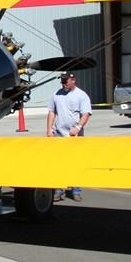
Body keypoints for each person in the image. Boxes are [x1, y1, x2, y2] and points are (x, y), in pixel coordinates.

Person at [47, 71, 91, 202]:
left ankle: (75, 190)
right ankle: (59, 190)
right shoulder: (57, 94)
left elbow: (86, 113)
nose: (64, 83)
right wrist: (49, 128)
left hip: (74, 136)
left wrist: (78, 127)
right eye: (62, 81)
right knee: (59, 163)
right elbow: (51, 111)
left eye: (66, 81)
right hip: (59, 134)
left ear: (73, 80)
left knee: (74, 162)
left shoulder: (81, 95)